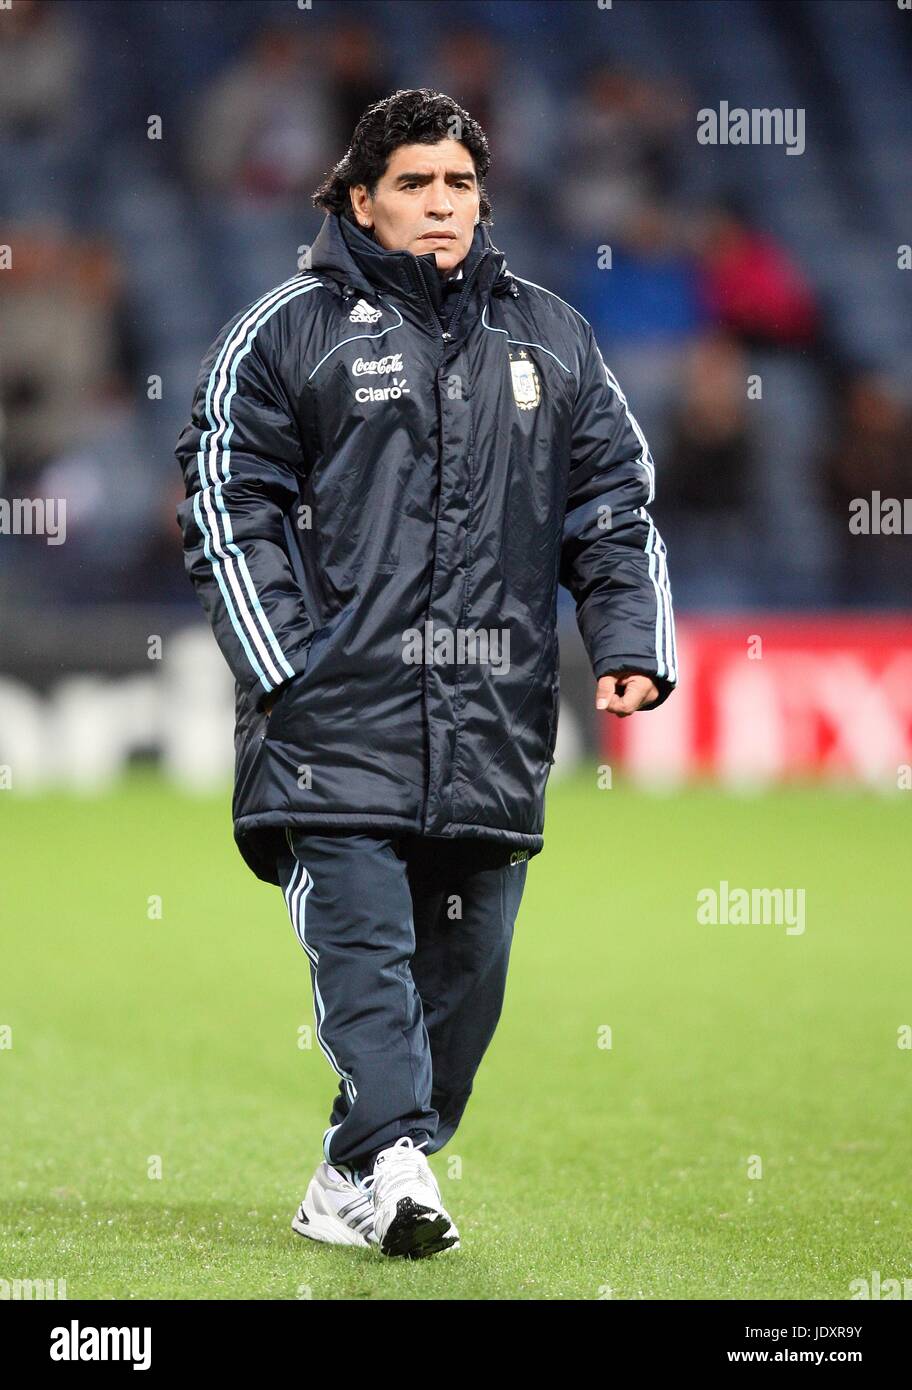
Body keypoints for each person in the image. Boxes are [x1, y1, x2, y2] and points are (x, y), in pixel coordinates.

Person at [174, 87, 677, 1260]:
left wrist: (629, 643)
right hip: (333, 722)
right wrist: (283, 662)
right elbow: (222, 497)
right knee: (367, 951)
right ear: (361, 198)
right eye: (413, 183)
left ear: (482, 197)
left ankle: (354, 1169)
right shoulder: (286, 329)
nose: (440, 203)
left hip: (493, 724)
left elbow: (612, 507)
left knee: (470, 978)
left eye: (458, 183)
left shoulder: (552, 336)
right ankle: (396, 1165)